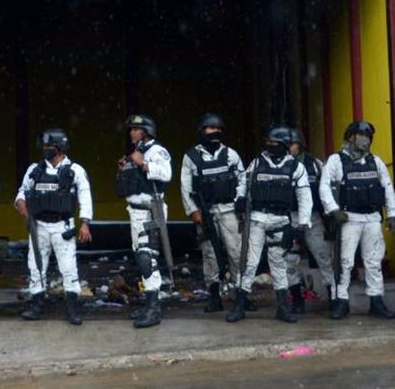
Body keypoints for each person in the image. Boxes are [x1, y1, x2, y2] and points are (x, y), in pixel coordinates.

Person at [227, 125, 311, 324]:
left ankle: (283, 307)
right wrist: (239, 198)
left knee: (278, 264)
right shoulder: (257, 162)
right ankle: (239, 305)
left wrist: (302, 224)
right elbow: (243, 183)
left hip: (280, 221)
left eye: (274, 142)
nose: (270, 145)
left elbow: (304, 196)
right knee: (249, 263)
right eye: (268, 142)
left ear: (284, 144)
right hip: (256, 219)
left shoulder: (295, 167)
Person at [319, 120, 395, 320]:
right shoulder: (336, 160)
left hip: (372, 218)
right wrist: (334, 210)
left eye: (368, 136)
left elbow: (387, 188)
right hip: (349, 218)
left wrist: (392, 214)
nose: (365, 140)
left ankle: (376, 301)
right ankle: (341, 302)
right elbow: (324, 186)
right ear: (350, 137)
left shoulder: (375, 161)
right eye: (361, 135)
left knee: (374, 262)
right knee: (344, 262)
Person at [15, 128, 93, 325]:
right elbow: (23, 191)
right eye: (44, 146)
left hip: (63, 226)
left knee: (68, 268)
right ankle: (37, 306)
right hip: (39, 226)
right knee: (36, 266)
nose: (45, 149)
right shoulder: (35, 169)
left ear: (59, 147)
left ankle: (72, 308)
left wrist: (85, 223)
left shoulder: (75, 170)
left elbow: (85, 197)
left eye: (49, 146)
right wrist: (21, 202)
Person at [180, 113, 246, 313]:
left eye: (218, 129)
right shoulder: (192, 156)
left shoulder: (230, 154)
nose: (215, 132)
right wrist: (193, 211)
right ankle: (214, 296)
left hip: (229, 211)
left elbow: (242, 180)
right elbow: (185, 186)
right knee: (210, 255)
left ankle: (240, 296)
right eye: (211, 128)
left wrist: (241, 202)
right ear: (202, 131)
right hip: (206, 212)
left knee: (236, 253)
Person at [117, 114, 173, 329]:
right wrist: (124, 169)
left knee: (147, 257)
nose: (132, 132)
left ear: (147, 131)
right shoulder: (135, 153)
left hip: (151, 211)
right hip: (135, 212)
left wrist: (145, 164)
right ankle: (149, 303)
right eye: (131, 129)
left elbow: (166, 174)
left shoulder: (156, 150)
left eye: (136, 129)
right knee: (140, 256)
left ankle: (153, 308)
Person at [284, 127, 335, 313]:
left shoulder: (315, 164)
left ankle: (334, 298)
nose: (289, 147)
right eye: (286, 144)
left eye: (292, 143)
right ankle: (297, 299)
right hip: (289, 217)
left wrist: (330, 215)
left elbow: (327, 189)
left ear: (300, 144)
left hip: (313, 218)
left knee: (325, 257)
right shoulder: (279, 165)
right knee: (289, 260)